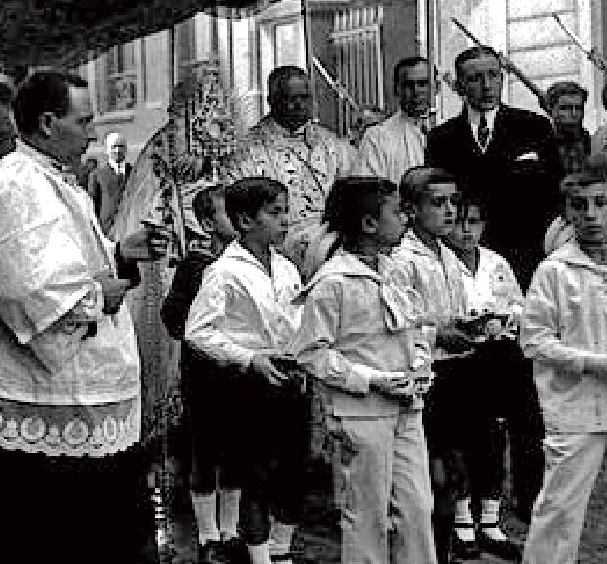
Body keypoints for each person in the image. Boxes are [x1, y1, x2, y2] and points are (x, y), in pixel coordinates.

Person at [0, 71, 170, 564]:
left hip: (79, 394)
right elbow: (27, 291)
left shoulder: (48, 177)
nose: (93, 132)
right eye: (85, 120)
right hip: (52, 396)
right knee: (63, 537)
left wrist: (118, 252)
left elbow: (59, 262)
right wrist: (103, 296)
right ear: (49, 122)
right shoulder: (20, 186)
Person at [520, 160, 607, 564]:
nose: (592, 215)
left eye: (601, 203)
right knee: (561, 505)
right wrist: (595, 363)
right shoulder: (554, 272)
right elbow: (535, 341)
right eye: (579, 206)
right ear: (566, 212)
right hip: (575, 403)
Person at [290, 176, 436, 564]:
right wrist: (370, 379)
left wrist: (421, 365)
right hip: (362, 411)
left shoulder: (395, 270)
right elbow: (311, 353)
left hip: (407, 406)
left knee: (417, 509)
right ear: (369, 224)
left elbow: (415, 326)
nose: (406, 218)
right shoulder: (333, 283)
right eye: (396, 211)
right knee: (367, 512)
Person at [109, 60, 239, 446]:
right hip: (175, 267)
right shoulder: (160, 153)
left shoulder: (230, 156)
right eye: (203, 104)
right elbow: (144, 210)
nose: (211, 115)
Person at [185, 177, 305, 564]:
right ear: (245, 220)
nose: (285, 220)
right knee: (256, 473)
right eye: (275, 213)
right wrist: (247, 357)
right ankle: (258, 555)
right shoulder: (223, 271)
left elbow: (297, 318)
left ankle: (282, 548)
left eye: (286, 211)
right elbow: (197, 332)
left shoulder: (286, 267)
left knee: (293, 470)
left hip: (289, 377)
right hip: (249, 384)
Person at [387, 167, 484, 562]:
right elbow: (398, 323)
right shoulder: (401, 259)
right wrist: (438, 334)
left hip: (457, 372)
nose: (449, 212)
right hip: (424, 374)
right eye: (438, 203)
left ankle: (444, 550)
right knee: (429, 473)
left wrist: (475, 323)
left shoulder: (448, 255)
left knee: (456, 472)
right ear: (410, 210)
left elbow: (456, 311)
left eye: (453, 202)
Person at [425, 46, 559, 288]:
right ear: (460, 86)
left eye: (493, 75)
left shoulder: (534, 127)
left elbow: (554, 193)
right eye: (475, 79)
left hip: (528, 259)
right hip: (467, 261)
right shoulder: (441, 139)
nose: (487, 86)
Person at [160, 184, 242, 564]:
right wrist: (207, 337)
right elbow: (173, 317)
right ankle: (209, 535)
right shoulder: (196, 266)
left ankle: (231, 528)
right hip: (205, 373)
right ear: (208, 222)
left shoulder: (249, 263)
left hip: (240, 372)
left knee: (236, 452)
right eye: (228, 212)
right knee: (206, 451)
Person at [443, 193, 525, 560]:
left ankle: (490, 519)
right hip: (456, 361)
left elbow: (518, 303)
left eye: (473, 223)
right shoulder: (441, 265)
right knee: (458, 439)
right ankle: (462, 521)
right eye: (458, 223)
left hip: (496, 359)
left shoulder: (495, 262)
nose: (465, 231)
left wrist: (504, 317)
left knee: (493, 437)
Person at [228, 66, 356, 276]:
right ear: (272, 101)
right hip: (277, 254)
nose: (298, 105)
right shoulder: (248, 150)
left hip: (334, 249)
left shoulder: (333, 145)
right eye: (289, 98)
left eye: (304, 98)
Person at [352, 57, 432, 184]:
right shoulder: (377, 138)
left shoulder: (453, 132)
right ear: (396, 90)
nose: (416, 91)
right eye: (408, 85)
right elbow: (367, 191)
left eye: (423, 84)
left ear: (436, 87)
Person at [89, 131, 132, 234]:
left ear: (126, 149)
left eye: (121, 146)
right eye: (114, 147)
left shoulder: (135, 173)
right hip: (107, 230)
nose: (117, 150)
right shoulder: (97, 175)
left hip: (131, 229)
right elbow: (92, 205)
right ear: (107, 150)